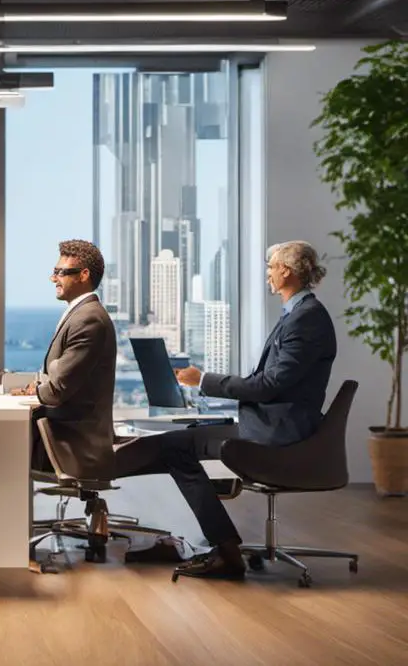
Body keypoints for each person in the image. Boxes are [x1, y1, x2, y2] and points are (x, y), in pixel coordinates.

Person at [116, 240, 336, 580]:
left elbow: (268, 385)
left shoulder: (306, 320)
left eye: (270, 268)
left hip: (279, 433)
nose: (267, 275)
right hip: (269, 421)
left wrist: (203, 380)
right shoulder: (296, 314)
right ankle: (207, 541)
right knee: (178, 443)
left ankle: (225, 550)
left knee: (175, 447)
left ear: (286, 271)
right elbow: (268, 382)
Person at [11, 240, 117, 537]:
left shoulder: (89, 319)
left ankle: (7, 541)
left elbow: (57, 389)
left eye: (60, 271)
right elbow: (59, 378)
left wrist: (36, 390)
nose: (53, 277)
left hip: (72, 440)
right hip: (67, 429)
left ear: (83, 275)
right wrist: (38, 386)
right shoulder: (81, 313)